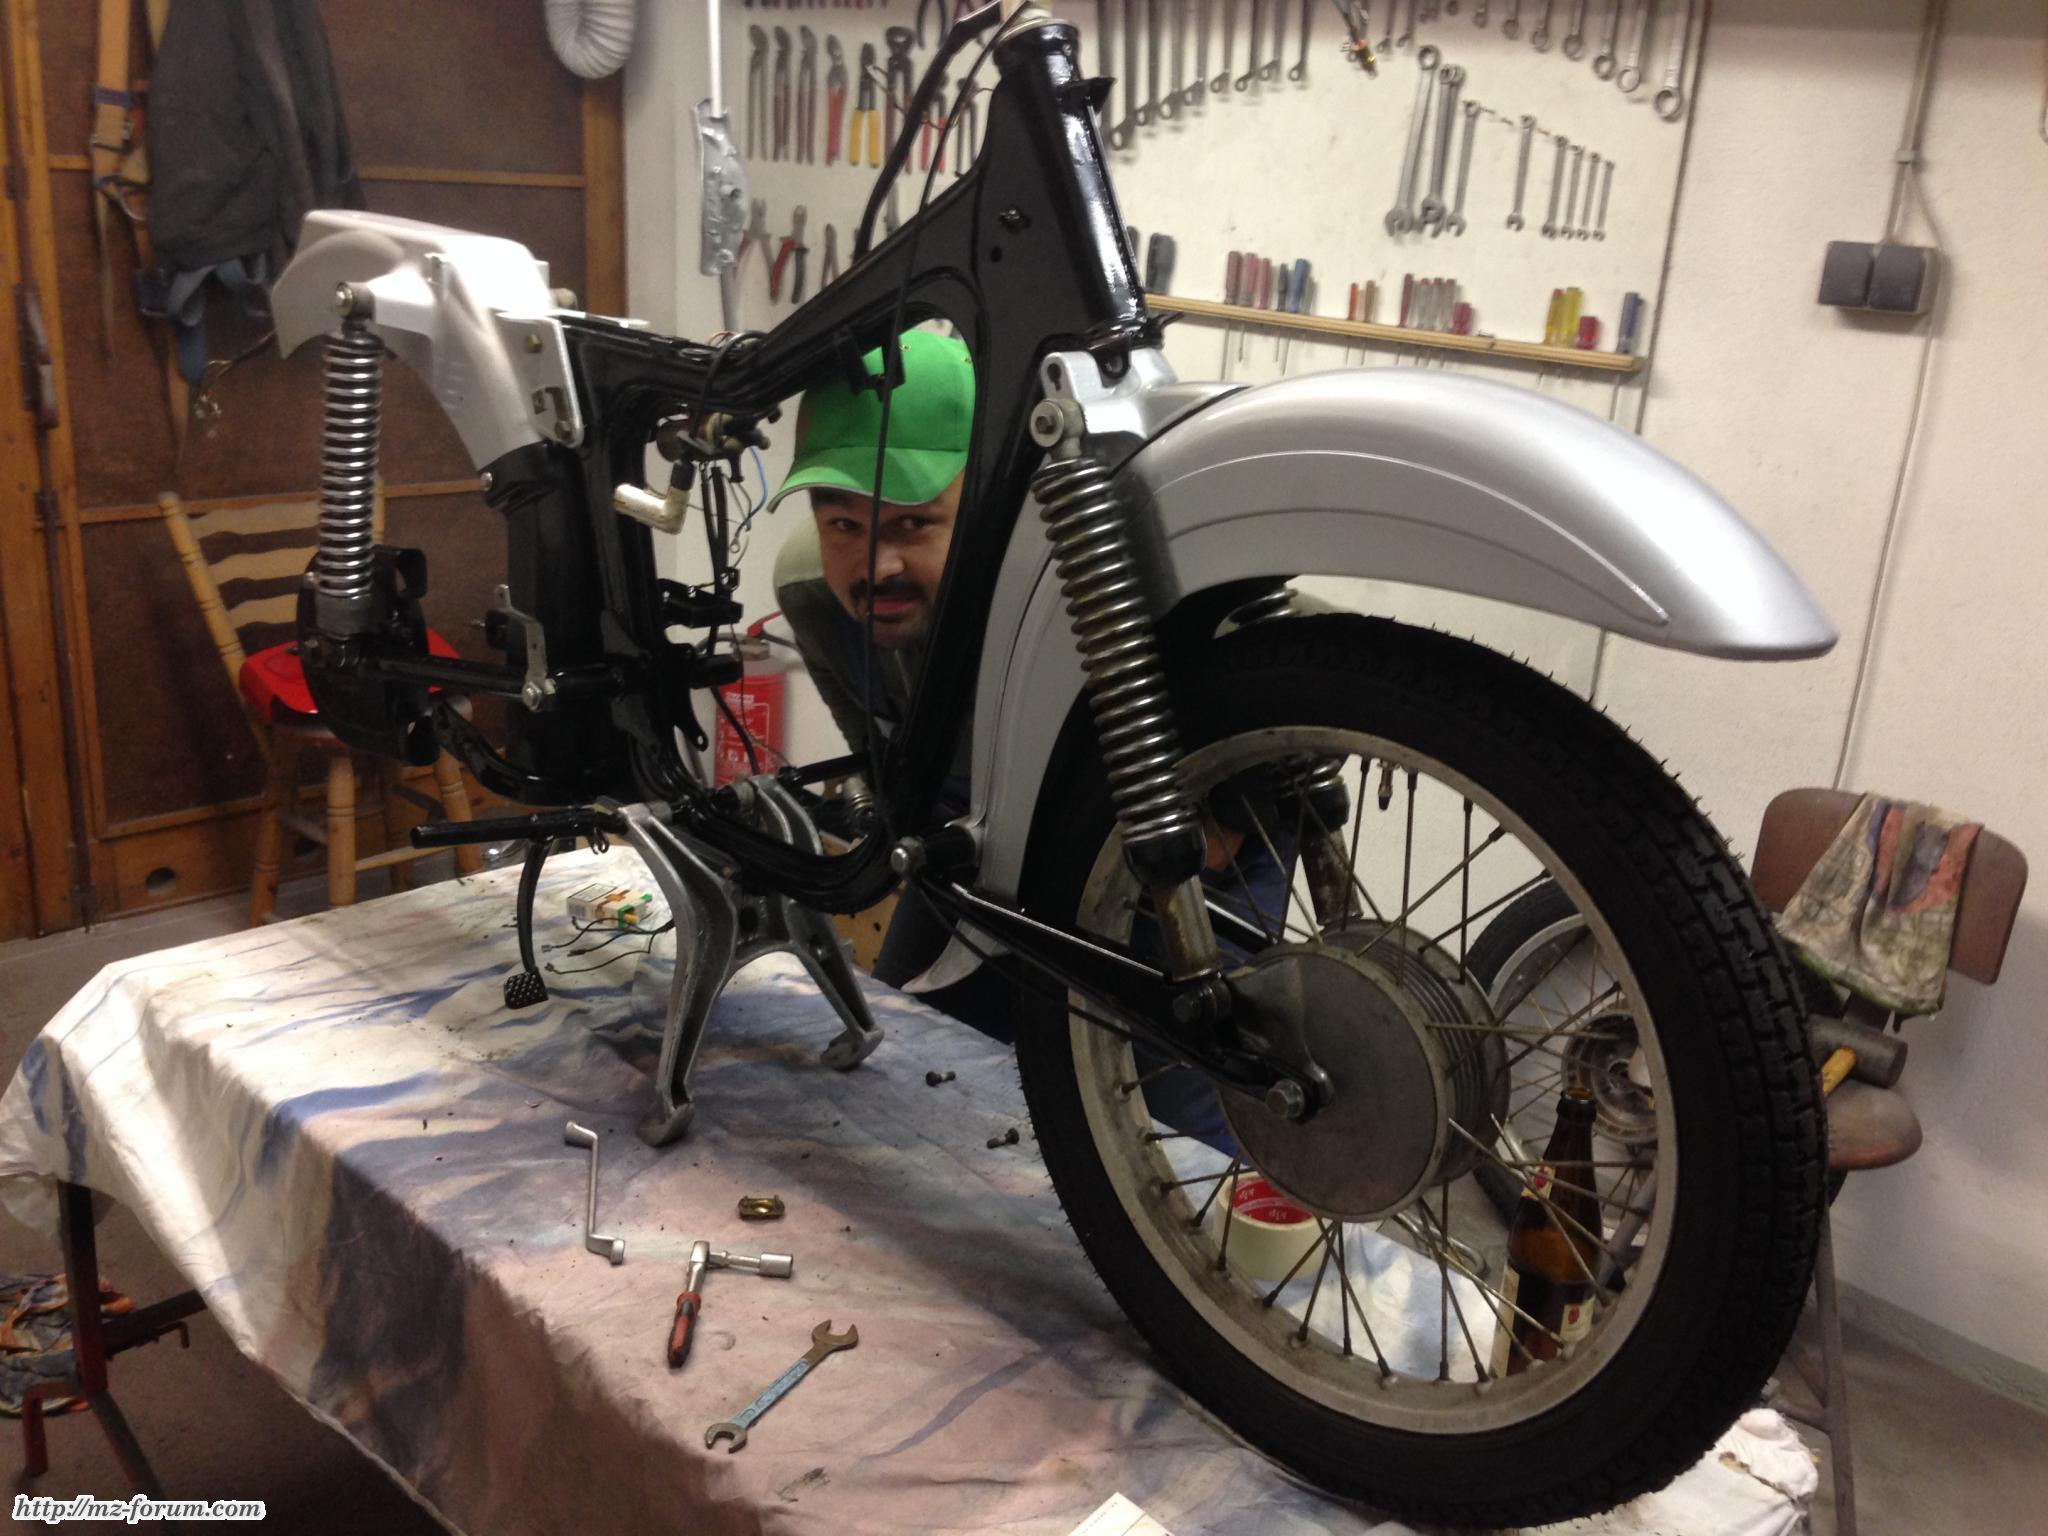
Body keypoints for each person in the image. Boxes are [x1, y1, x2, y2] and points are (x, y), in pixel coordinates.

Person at [763, 329, 1001, 1027]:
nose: (876, 566)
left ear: (984, 502)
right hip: (962, 843)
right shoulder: (811, 592)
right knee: (909, 1044)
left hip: (1169, 857)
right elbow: (882, 766)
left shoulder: (1069, 582)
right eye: (843, 523)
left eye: (913, 522)